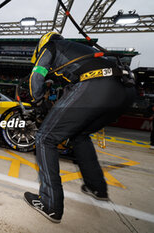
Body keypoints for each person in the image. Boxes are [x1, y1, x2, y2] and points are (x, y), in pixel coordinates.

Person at [24, 32, 136, 223]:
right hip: (126, 91)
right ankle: (96, 187)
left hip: (96, 85)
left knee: (45, 138)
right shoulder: (82, 51)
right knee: (80, 135)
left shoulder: (50, 47)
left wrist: (36, 99)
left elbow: (38, 74)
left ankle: (50, 204)